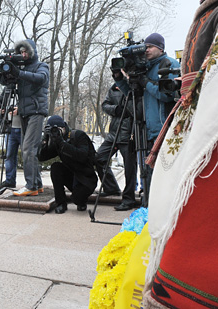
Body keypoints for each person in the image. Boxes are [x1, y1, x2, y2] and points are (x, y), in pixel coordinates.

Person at [143, 0, 218, 307]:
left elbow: (172, 91)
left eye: (150, 47)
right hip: (173, 128)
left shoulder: (165, 66)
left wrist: (148, 83)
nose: (145, 51)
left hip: (202, 135)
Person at [113, 33, 180, 207]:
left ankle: (161, 208)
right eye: (146, 46)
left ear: (160, 48)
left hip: (165, 128)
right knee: (148, 172)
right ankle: (147, 206)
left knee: (163, 172)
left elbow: (166, 95)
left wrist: (145, 81)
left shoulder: (169, 64)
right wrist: (121, 80)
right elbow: (134, 96)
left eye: (150, 47)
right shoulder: (145, 68)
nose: (147, 50)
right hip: (147, 130)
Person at [0, 39, 49, 196]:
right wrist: (2, 70)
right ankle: (37, 185)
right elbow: (7, 84)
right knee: (30, 150)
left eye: (26, 52)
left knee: (28, 149)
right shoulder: (21, 68)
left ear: (32, 52)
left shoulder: (41, 66)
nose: (23, 55)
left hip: (37, 112)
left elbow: (41, 78)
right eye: (21, 52)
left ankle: (30, 185)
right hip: (24, 113)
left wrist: (19, 73)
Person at [38, 115, 97, 214]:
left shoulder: (78, 136)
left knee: (77, 199)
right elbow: (42, 157)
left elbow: (82, 156)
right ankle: (61, 203)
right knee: (56, 167)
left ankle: (81, 200)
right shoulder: (56, 141)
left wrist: (62, 142)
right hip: (71, 176)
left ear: (64, 128)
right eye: (52, 130)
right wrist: (46, 139)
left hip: (85, 177)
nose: (55, 132)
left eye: (56, 130)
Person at [95, 84, 137, 211]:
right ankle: (111, 188)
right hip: (113, 133)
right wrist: (116, 109)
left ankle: (129, 199)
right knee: (98, 158)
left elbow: (138, 108)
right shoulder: (114, 88)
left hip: (129, 134)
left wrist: (127, 111)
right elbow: (104, 105)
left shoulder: (135, 87)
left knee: (130, 168)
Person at [0, 93, 21, 189]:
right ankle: (10, 180)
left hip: (24, 129)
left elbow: (31, 107)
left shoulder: (26, 89)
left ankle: (32, 183)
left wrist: (19, 110)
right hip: (10, 129)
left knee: (28, 157)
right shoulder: (8, 91)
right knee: (9, 156)